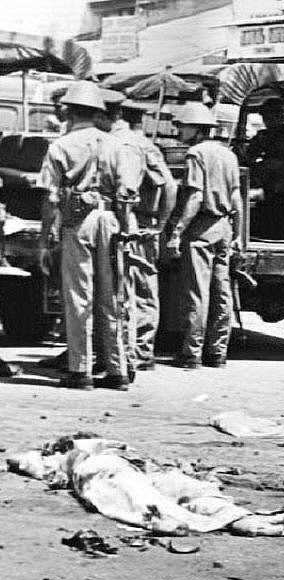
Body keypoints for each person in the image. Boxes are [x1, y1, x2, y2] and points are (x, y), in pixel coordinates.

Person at [37, 81, 138, 390]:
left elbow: (50, 198)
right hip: (111, 219)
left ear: (67, 110)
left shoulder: (60, 146)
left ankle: (81, 371)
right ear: (97, 112)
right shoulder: (116, 145)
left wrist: (45, 239)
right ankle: (117, 370)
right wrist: (125, 227)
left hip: (77, 223)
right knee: (112, 297)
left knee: (79, 297)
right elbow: (128, 192)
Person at [166, 103, 242, 369]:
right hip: (225, 227)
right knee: (223, 293)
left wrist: (177, 232)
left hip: (201, 228)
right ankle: (217, 353)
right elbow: (236, 197)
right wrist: (238, 234)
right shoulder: (228, 154)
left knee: (197, 293)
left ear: (196, 129)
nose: (179, 130)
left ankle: (191, 354)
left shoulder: (196, 153)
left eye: (182, 126)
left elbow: (195, 196)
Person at [111, 99, 178, 370]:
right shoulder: (144, 145)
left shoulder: (136, 145)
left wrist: (158, 226)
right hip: (136, 222)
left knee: (139, 287)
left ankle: (140, 350)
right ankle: (134, 349)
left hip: (137, 222)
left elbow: (169, 187)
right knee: (134, 287)